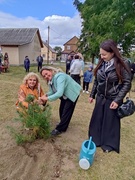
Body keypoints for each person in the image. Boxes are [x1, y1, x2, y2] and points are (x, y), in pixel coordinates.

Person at [88, 39, 131, 153]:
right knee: (97, 119)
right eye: (100, 54)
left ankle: (108, 144)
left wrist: (117, 100)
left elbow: (127, 83)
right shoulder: (101, 63)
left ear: (112, 52)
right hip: (101, 97)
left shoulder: (122, 63)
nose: (101, 57)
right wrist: (92, 94)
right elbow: (97, 81)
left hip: (113, 98)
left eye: (104, 54)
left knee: (110, 122)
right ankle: (95, 140)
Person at [40, 66, 82, 136]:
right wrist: (46, 95)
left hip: (72, 93)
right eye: (44, 76)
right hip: (65, 95)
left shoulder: (60, 77)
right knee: (61, 110)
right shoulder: (51, 80)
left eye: (47, 73)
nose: (46, 76)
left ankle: (59, 129)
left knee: (66, 111)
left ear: (50, 70)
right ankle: (63, 123)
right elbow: (52, 91)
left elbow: (59, 93)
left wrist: (47, 99)